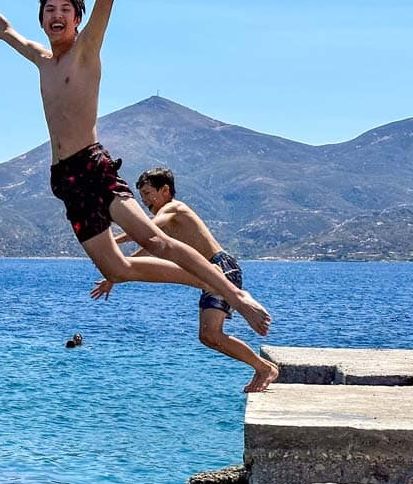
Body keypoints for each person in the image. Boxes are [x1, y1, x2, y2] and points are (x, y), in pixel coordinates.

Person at [0, 0, 271, 338]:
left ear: (78, 20)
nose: (57, 15)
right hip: (64, 180)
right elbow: (4, 30)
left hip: (93, 168)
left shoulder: (85, 51)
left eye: (65, 10)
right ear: (42, 18)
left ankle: (238, 296)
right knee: (115, 267)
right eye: (49, 10)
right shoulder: (42, 59)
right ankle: (204, 282)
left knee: (156, 241)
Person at [93, 168, 280, 392]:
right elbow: (145, 249)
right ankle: (263, 367)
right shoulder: (167, 220)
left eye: (147, 193)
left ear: (165, 190)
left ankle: (264, 368)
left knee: (210, 334)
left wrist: (109, 241)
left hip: (220, 268)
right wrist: (115, 275)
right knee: (209, 336)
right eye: (141, 196)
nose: (144, 201)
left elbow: (148, 231)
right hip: (207, 271)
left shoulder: (175, 208)